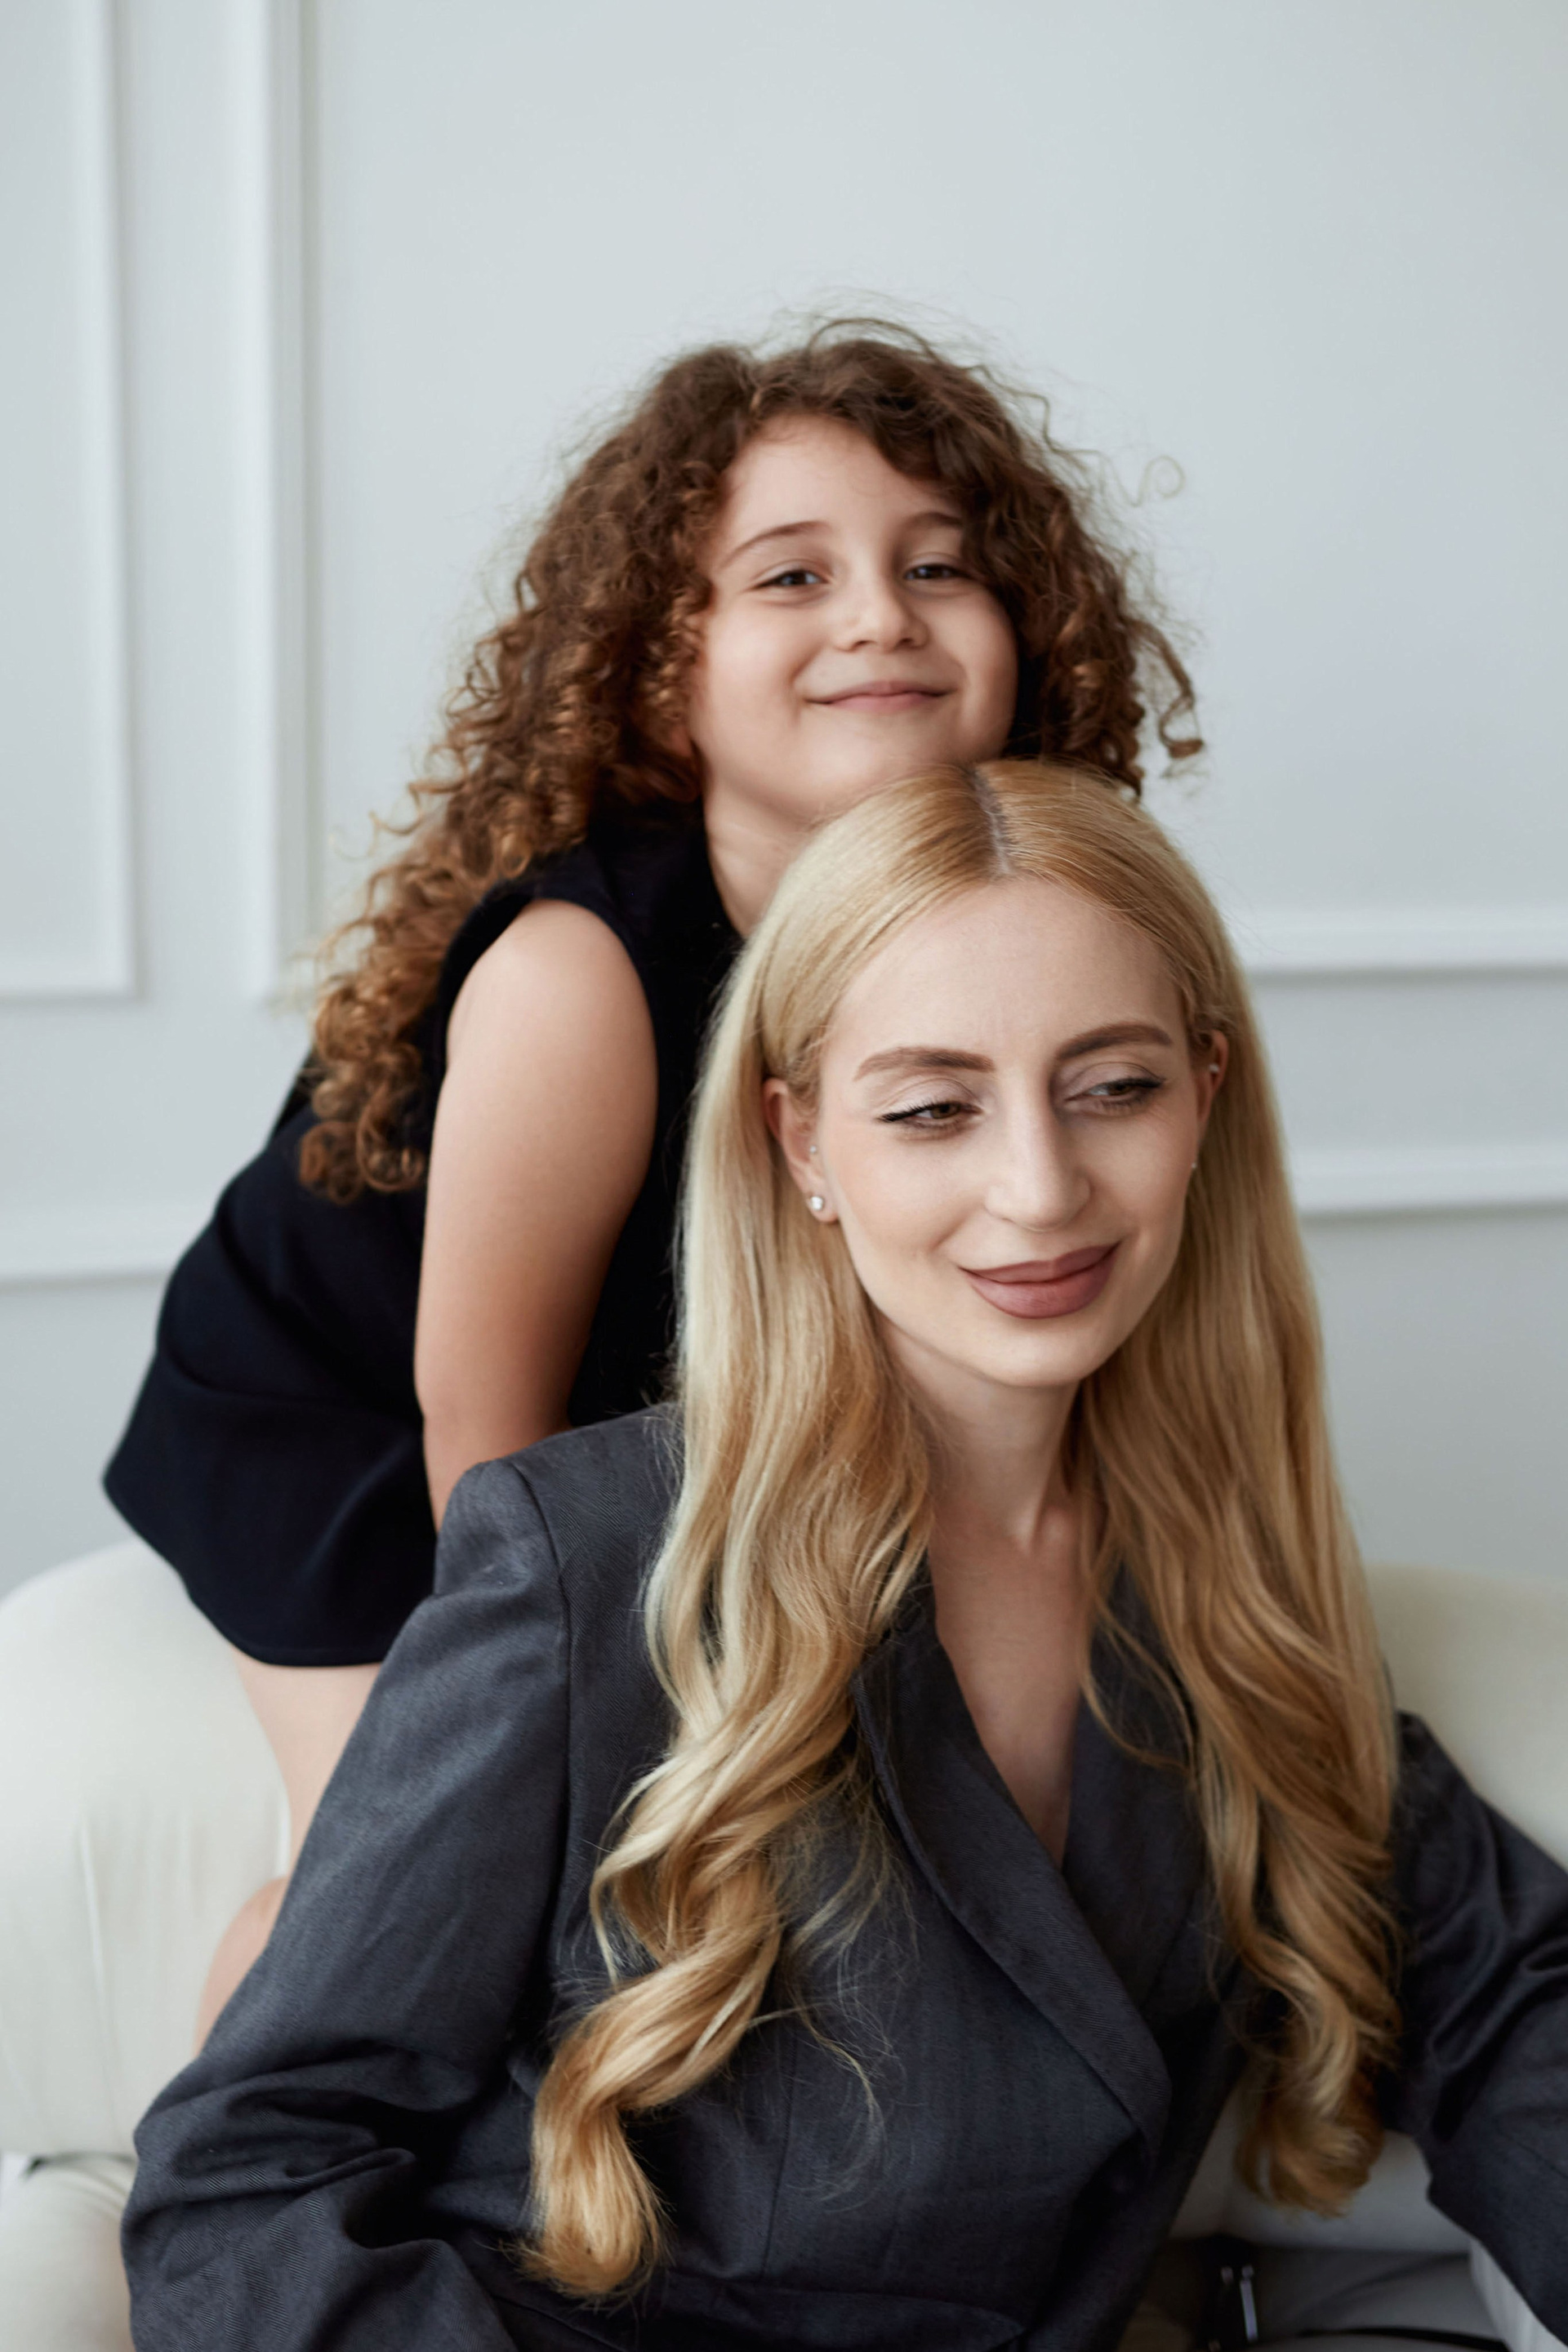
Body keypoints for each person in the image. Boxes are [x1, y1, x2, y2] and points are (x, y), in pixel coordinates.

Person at [122, 763, 1568, 2351]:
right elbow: (245, 2186)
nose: (1040, 1188)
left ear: (1204, 1099)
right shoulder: (584, 1559)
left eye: (1114, 1087)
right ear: (800, 1137)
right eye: (934, 1107)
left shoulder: (1224, 1580)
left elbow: (1507, 1998)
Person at [102, 321, 1200, 2032]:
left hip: (663, 1396)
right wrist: (582, 1733)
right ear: (655, 660)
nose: (880, 616)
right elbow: (485, 1444)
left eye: (938, 566)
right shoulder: (579, 976)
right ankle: (246, 2067)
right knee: (426, 1882)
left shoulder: (1000, 930)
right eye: (792, 575)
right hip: (352, 1430)